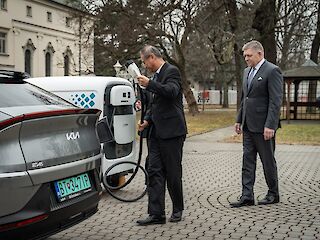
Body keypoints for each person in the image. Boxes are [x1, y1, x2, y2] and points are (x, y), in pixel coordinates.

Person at [136, 45, 187, 225]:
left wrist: (150, 84)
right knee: (154, 171)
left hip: (172, 132)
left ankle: (178, 209)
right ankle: (156, 214)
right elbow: (154, 104)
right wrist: (147, 121)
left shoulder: (171, 71)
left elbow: (172, 92)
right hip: (155, 132)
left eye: (144, 61)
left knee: (172, 172)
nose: (145, 66)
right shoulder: (155, 77)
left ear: (151, 57)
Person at [230, 40, 283, 208]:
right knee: (248, 161)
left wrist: (270, 125)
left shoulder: (272, 71)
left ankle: (273, 193)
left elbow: (275, 101)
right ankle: (247, 196)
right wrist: (239, 119)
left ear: (260, 54)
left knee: (267, 161)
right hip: (248, 125)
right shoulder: (247, 71)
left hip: (263, 127)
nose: (246, 58)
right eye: (245, 55)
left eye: (249, 55)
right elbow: (245, 98)